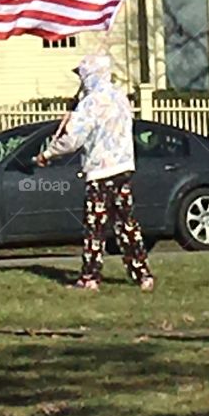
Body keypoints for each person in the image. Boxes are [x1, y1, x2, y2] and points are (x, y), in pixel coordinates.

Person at [36, 53, 154, 292]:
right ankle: (142, 275)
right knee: (126, 224)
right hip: (123, 168)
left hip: (101, 171)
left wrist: (48, 153)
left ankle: (90, 277)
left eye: (82, 76)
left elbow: (73, 139)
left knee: (95, 225)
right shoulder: (120, 98)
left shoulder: (91, 103)